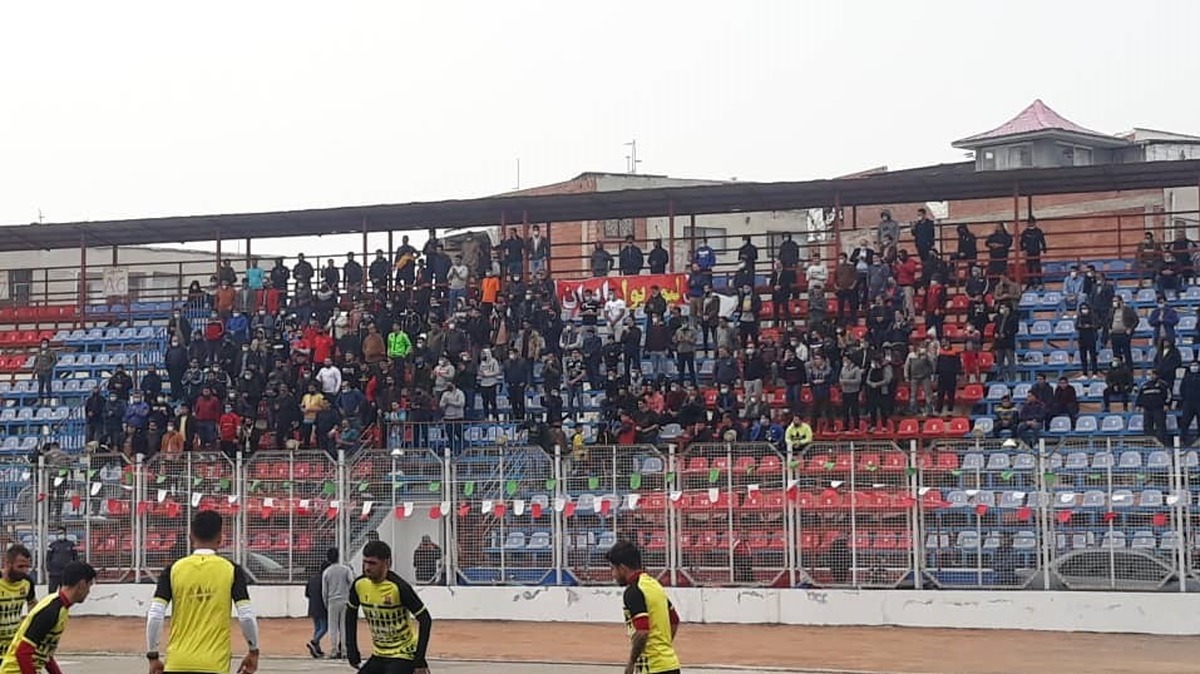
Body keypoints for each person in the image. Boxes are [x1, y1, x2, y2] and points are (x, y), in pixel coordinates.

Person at [146, 511, 260, 674]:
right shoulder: (231, 570)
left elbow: (155, 615)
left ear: (191, 536)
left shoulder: (174, 569)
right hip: (215, 665)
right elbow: (246, 616)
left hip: (178, 663)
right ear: (220, 537)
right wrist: (253, 651)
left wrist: (153, 656)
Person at [345, 540, 433, 674]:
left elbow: (425, 619)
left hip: (403, 654)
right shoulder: (359, 585)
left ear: (387, 563)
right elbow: (350, 615)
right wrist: (352, 651)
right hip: (379, 654)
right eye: (365, 562)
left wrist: (419, 660)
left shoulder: (399, 588)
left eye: (372, 563)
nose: (367, 568)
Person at [0, 561, 95, 674]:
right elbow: (22, 653)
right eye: (89, 586)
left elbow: (46, 655)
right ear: (82, 585)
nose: (89, 591)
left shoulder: (61, 608)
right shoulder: (51, 611)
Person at [605, 541, 681, 674]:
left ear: (622, 568)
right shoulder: (654, 585)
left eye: (613, 569)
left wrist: (631, 663)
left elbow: (642, 632)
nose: (613, 575)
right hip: (671, 664)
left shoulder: (633, 591)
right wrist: (663, 646)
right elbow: (674, 619)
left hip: (652, 668)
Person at [322, 548, 355, 661]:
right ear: (338, 556)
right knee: (343, 626)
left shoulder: (327, 572)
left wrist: (326, 603)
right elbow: (352, 583)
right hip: (345, 600)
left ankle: (333, 650)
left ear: (328, 558)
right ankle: (344, 651)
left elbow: (324, 591)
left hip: (332, 601)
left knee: (333, 627)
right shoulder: (345, 569)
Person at [0, 545, 36, 649]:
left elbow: (32, 603)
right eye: (20, 566)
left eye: (27, 567)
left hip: (13, 648)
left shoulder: (27, 582)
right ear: (7, 563)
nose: (24, 571)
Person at [304, 554, 330, 659]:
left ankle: (316, 649)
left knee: (317, 627)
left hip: (312, 607)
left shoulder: (312, 578)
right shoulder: (325, 579)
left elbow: (306, 594)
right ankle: (314, 642)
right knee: (324, 628)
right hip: (322, 606)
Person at [45, 530, 77, 594]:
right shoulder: (52, 545)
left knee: (64, 593)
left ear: (65, 534)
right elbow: (48, 558)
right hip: (54, 573)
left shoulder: (71, 544)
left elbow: (75, 557)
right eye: (59, 533)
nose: (61, 535)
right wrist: (48, 567)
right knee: (52, 592)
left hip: (66, 573)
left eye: (62, 533)